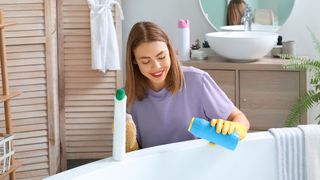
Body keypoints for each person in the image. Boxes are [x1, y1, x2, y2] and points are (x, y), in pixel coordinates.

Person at [125, 21, 250, 151]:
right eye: (145, 61)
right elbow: (135, 154)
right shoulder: (128, 97)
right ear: (134, 60)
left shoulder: (197, 80)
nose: (156, 66)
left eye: (161, 57)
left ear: (170, 52)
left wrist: (236, 128)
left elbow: (240, 118)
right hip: (155, 169)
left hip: (198, 165)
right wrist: (128, 144)